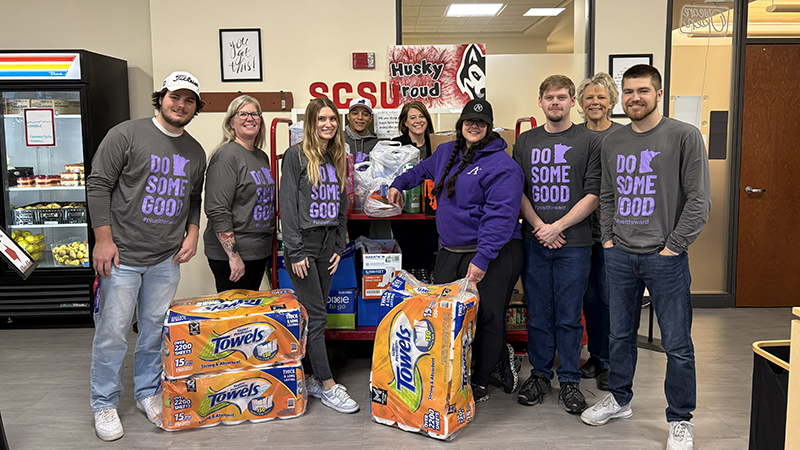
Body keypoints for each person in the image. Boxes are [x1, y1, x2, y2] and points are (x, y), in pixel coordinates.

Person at [581, 65, 711, 450]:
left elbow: (699, 201)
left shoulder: (684, 136)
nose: (634, 97)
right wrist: (607, 240)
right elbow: (606, 195)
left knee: (677, 344)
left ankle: (680, 419)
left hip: (664, 258)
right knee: (619, 335)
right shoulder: (613, 142)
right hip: (620, 254)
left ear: (658, 93)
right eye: (629, 91)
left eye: (643, 90)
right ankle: (620, 399)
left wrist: (674, 246)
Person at [86, 71, 206, 441]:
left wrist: (193, 232)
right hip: (122, 255)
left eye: (188, 100)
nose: (180, 105)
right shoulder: (126, 134)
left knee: (154, 333)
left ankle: (147, 394)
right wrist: (103, 240)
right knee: (112, 334)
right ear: (161, 98)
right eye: (175, 97)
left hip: (165, 258)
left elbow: (192, 199)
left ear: (195, 107)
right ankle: (103, 403)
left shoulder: (195, 151)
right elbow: (99, 184)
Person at [388, 99, 524, 403]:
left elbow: (500, 218)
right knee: (451, 317)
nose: (474, 127)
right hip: (451, 249)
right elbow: (421, 170)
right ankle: (471, 368)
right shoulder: (446, 152)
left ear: (489, 128)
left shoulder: (503, 166)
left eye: (480, 123)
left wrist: (482, 259)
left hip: (492, 251)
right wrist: (399, 183)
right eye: (469, 122)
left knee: (487, 316)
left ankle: (481, 381)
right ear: (461, 124)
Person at [513, 74, 601, 414]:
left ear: (572, 101)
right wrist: (539, 226)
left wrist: (558, 227)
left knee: (568, 315)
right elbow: (517, 191)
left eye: (562, 97)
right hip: (535, 241)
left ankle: (569, 380)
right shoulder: (525, 142)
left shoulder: (589, 141)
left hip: (575, 243)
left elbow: (594, 193)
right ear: (540, 102)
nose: (555, 103)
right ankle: (538, 374)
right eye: (549, 97)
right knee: (537, 313)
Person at [280, 97, 359, 414]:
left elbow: (341, 210)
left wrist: (339, 246)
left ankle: (311, 377)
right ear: (310, 123)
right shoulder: (295, 156)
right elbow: (287, 207)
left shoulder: (336, 157)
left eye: (332, 119)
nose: (327, 124)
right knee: (316, 316)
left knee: (315, 314)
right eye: (321, 119)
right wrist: (294, 250)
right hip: (304, 246)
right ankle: (328, 385)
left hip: (328, 246)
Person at [575, 72, 625, 390]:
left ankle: (610, 361)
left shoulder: (624, 136)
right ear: (581, 102)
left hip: (615, 232)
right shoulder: (575, 135)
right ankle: (595, 354)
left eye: (601, 97)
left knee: (610, 298)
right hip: (581, 231)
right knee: (589, 298)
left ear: (611, 102)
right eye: (589, 97)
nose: (595, 102)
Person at [203, 95, 275, 292]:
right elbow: (218, 210)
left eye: (254, 114)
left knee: (250, 312)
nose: (249, 118)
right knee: (235, 317)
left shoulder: (261, 156)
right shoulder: (226, 157)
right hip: (233, 254)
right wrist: (233, 256)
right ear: (231, 123)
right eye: (242, 114)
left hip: (258, 251)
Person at [391, 101, 439, 274]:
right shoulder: (395, 145)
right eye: (412, 117)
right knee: (407, 265)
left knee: (426, 264)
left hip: (431, 214)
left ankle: (424, 297)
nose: (418, 121)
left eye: (421, 116)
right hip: (404, 214)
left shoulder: (437, 145)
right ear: (405, 122)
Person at [344, 96, 379, 164]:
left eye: (365, 114)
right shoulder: (338, 139)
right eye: (355, 113)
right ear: (348, 116)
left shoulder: (377, 144)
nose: (360, 117)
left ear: (371, 119)